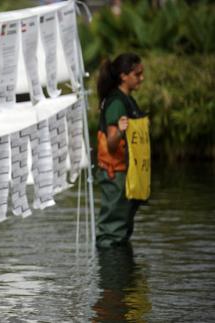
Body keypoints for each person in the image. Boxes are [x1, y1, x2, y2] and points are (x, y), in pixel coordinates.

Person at [95, 52, 146, 248]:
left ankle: (122, 273)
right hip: (114, 173)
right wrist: (120, 131)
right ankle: (111, 271)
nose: (141, 78)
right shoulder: (116, 102)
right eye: (137, 74)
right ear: (124, 76)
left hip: (128, 172)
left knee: (123, 227)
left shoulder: (128, 100)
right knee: (112, 231)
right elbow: (111, 143)